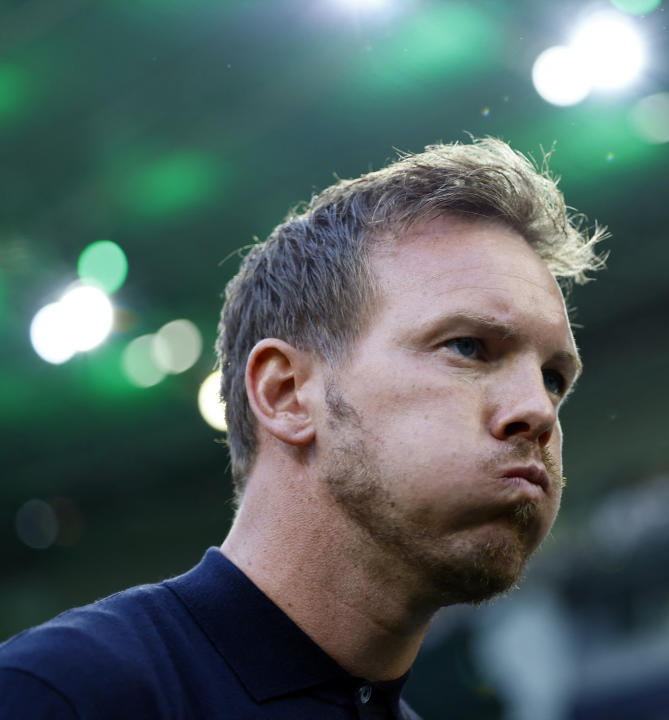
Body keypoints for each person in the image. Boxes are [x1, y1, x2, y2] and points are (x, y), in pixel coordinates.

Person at [0, 137, 607, 718]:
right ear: (286, 394)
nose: (539, 410)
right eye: (469, 347)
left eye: (555, 377)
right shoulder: (60, 695)